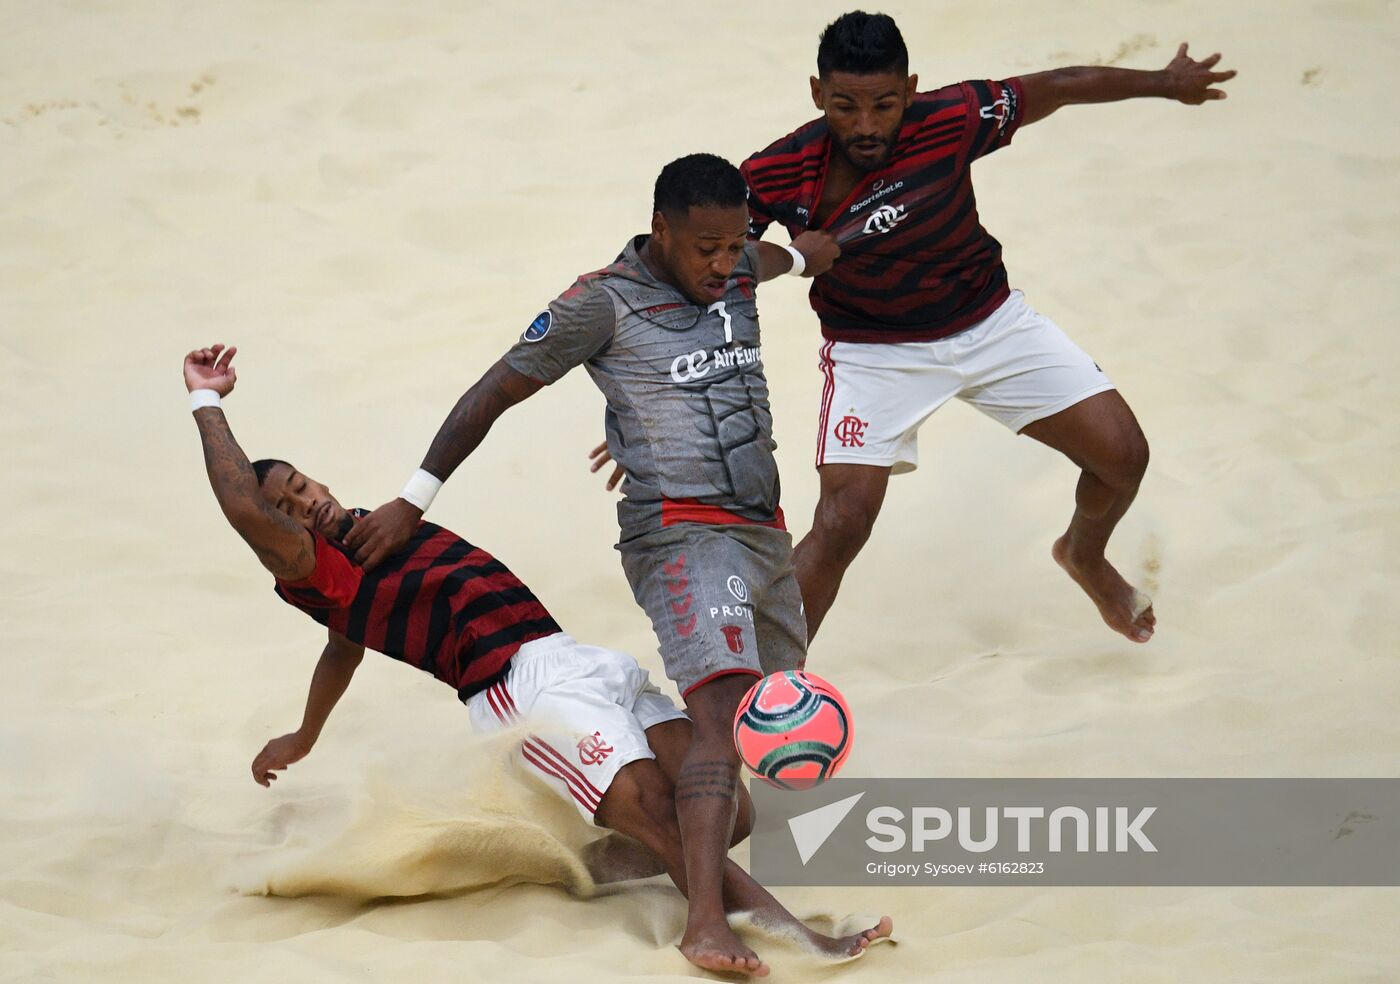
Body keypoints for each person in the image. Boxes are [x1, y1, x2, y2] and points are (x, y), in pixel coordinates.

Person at [182, 342, 888, 974]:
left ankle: (585, 864)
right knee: (665, 816)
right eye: (288, 504)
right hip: (518, 691)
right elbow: (243, 507)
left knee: (728, 813)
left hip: (579, 658)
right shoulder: (310, 567)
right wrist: (207, 400)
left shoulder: (368, 537)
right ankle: (790, 937)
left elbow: (343, 648)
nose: (306, 502)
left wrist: (305, 734)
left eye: (303, 484)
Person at [343, 154, 855, 975]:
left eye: (734, 247)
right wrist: (414, 497)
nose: (723, 265)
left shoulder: (744, 267)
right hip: (679, 536)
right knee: (722, 714)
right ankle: (709, 927)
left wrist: (854, 233)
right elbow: (493, 392)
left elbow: (805, 253)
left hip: (760, 533)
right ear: (661, 231)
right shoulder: (599, 303)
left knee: (740, 794)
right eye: (706, 249)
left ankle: (597, 865)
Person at [737, 12, 1236, 645]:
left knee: (1123, 457)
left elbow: (1060, 84)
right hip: (873, 352)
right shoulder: (778, 170)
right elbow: (724, 257)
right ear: (817, 94)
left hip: (990, 323)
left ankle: (1083, 555)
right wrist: (797, 257)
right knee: (842, 522)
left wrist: (1164, 83)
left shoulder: (954, 116)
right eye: (845, 106)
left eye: (884, 105)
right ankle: (768, 699)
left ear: (911, 90)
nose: (866, 125)